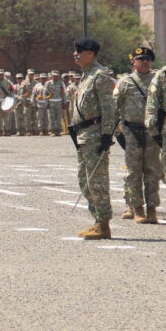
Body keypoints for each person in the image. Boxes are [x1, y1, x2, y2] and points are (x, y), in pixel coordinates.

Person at [71, 38, 115, 240]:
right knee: (84, 180)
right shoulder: (85, 75)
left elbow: (108, 108)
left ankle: (103, 224)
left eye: (80, 50)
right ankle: (97, 220)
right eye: (75, 50)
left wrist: (107, 135)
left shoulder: (100, 76)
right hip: (83, 135)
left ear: (91, 53)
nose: (75, 54)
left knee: (97, 180)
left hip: (96, 135)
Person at [114, 46, 160, 223]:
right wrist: (110, 130)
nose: (145, 62)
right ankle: (136, 207)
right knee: (133, 171)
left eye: (148, 59)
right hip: (131, 131)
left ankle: (152, 209)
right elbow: (114, 105)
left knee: (152, 171)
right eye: (140, 59)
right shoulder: (125, 82)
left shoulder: (158, 80)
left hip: (152, 131)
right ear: (133, 62)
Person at [45, 70, 66, 136]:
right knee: (52, 117)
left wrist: (64, 102)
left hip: (59, 102)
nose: (55, 77)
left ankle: (58, 131)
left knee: (59, 117)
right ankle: (53, 131)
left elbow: (63, 93)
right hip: (51, 102)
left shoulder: (61, 83)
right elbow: (45, 94)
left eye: (56, 76)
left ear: (58, 76)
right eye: (54, 75)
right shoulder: (48, 83)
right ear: (51, 76)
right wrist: (46, 103)